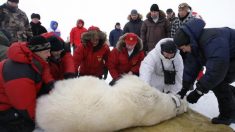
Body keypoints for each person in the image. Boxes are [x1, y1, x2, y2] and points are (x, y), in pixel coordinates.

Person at [174, 18, 235, 125]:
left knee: (218, 83)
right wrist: (184, 89)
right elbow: (191, 69)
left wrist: (198, 92)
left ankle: (227, 116)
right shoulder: (195, 46)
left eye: (183, 48)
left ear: (189, 42)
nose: (183, 51)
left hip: (231, 58)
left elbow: (216, 71)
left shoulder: (212, 40)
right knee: (217, 83)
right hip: (227, 58)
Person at [0, 36, 54, 131]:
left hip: (15, 103)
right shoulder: (20, 72)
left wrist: (50, 84)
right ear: (38, 52)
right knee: (27, 125)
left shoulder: (31, 59)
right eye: (46, 52)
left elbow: (44, 69)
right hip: (5, 110)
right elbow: (25, 108)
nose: (49, 55)